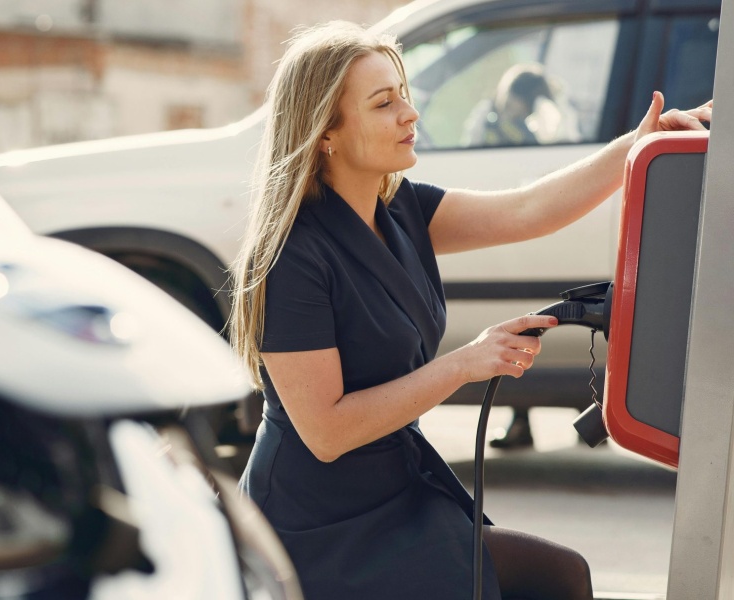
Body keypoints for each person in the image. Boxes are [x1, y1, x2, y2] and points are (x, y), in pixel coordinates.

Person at [230, 21, 711, 600]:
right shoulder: (293, 256)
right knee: (553, 579)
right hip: (314, 524)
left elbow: (529, 210)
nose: (410, 113)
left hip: (395, 490)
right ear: (325, 133)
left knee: (557, 576)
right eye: (384, 103)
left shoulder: (403, 208)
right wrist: (466, 363)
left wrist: (635, 146)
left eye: (404, 94)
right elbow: (327, 432)